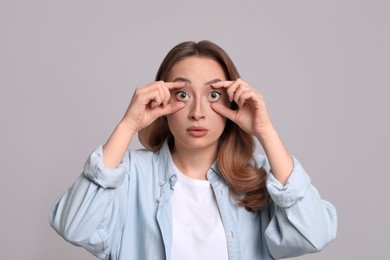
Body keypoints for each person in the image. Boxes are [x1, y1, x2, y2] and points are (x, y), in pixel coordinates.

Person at [49, 40, 337, 260]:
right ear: (162, 101)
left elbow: (315, 234)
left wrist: (267, 132)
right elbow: (75, 226)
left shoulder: (258, 178)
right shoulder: (131, 175)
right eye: (183, 95)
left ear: (233, 103)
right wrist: (128, 125)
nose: (197, 112)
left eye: (213, 95)